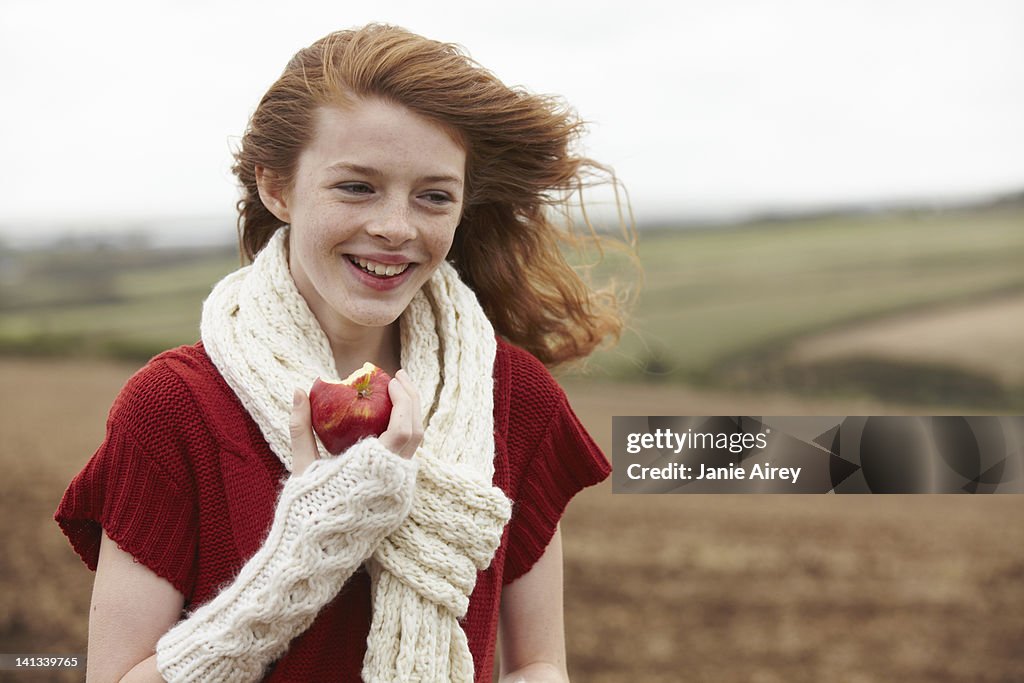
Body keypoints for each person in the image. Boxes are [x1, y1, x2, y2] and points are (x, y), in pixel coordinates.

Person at [55, 23, 632, 683]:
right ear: (277, 187)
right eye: (357, 186)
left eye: (434, 196)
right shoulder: (172, 409)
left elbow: (537, 666)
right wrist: (303, 555)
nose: (395, 226)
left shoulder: (513, 398)